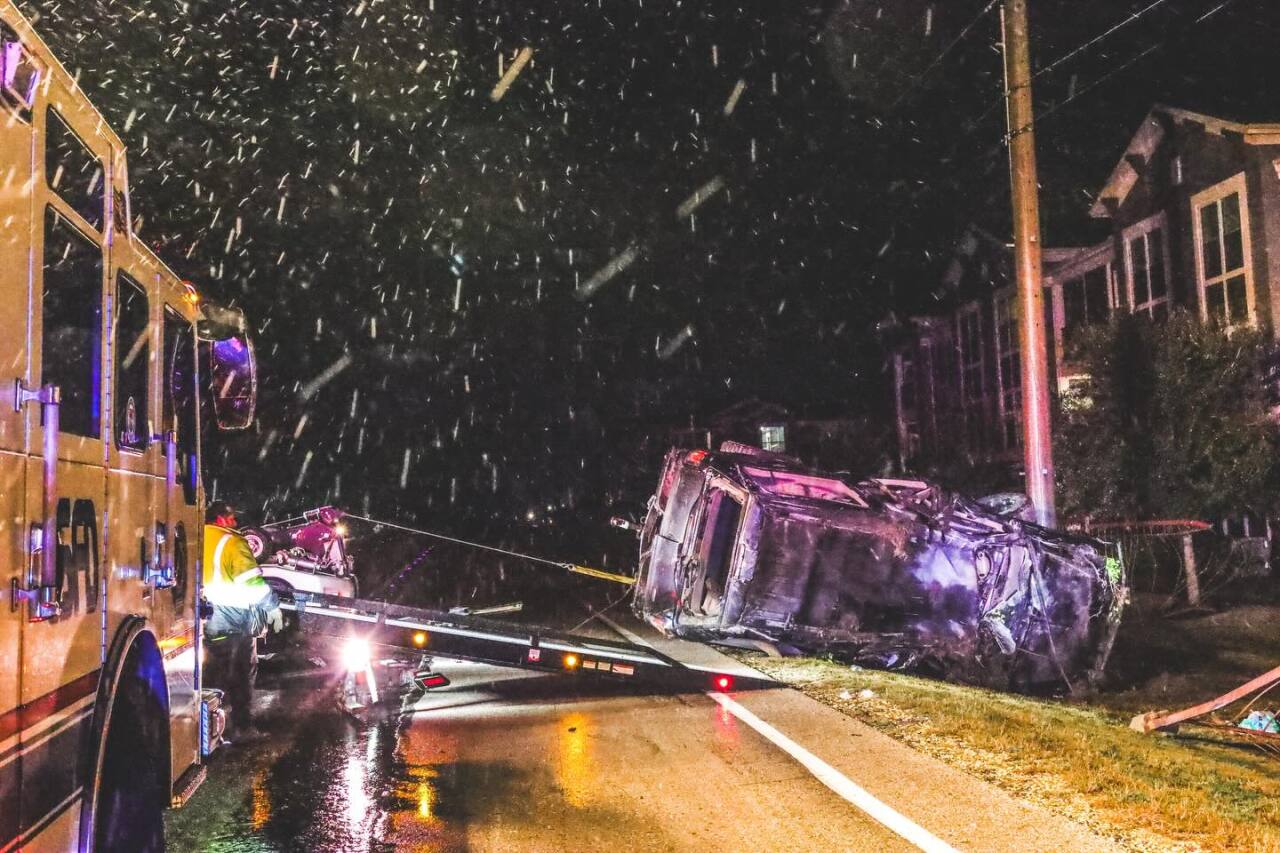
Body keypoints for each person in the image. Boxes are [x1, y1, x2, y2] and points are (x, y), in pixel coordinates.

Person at [202, 500, 282, 742]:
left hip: (209, 619)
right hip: (235, 621)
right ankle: (242, 729)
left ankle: (208, 729)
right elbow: (253, 586)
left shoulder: (197, 535)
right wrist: (273, 607)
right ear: (220, 519)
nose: (235, 523)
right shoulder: (233, 542)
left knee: (212, 675)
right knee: (242, 675)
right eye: (232, 518)